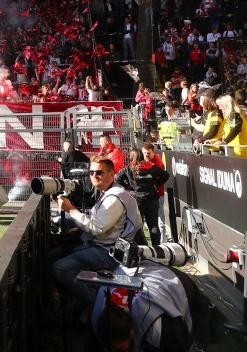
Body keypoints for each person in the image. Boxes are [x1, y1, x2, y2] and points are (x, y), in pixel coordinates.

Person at [50, 156, 143, 308]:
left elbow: (96, 228)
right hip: (100, 245)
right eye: (91, 172)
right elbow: (96, 220)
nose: (94, 176)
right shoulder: (109, 192)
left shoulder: (115, 196)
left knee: (59, 268)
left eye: (99, 172)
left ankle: (99, 307)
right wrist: (76, 223)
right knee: (51, 256)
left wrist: (70, 209)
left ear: (111, 174)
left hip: (109, 252)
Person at [91, 261, 193, 351]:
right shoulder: (96, 320)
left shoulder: (157, 329)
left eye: (120, 350)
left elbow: (180, 344)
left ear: (132, 332)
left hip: (175, 282)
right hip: (139, 272)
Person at [116, 147, 169, 246]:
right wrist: (156, 184)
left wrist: (127, 187)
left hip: (136, 200)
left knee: (137, 226)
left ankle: (141, 248)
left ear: (131, 157)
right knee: (153, 225)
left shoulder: (128, 168)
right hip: (152, 199)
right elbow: (165, 175)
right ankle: (156, 249)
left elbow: (117, 178)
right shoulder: (151, 167)